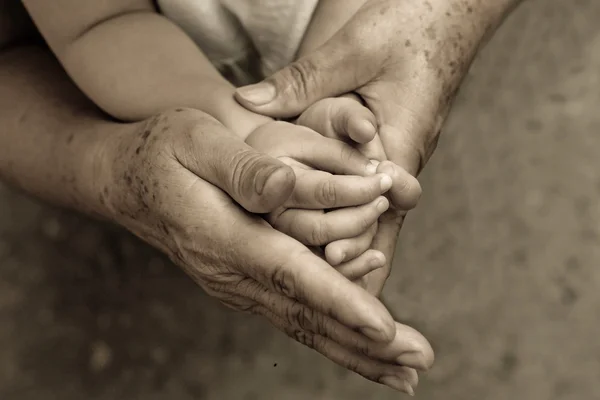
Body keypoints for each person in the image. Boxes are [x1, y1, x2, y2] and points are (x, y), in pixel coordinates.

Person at [0, 0, 525, 394]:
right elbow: (103, 24)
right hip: (168, 59)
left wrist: (338, 86)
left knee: (346, 165)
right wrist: (236, 123)